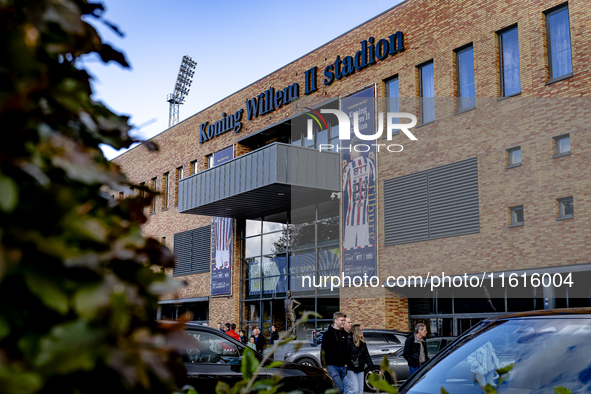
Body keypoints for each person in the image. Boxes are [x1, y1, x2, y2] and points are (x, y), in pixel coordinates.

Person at [342, 136, 376, 251]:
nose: (350, 154)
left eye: (350, 151)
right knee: (364, 249)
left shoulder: (348, 168)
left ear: (354, 149)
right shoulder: (370, 163)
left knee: (348, 251)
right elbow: (377, 179)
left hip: (350, 220)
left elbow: (341, 188)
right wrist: (374, 160)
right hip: (364, 219)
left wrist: (342, 170)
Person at [321, 311, 350, 393]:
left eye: (344, 320)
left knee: (342, 388)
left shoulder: (343, 333)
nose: (343, 322)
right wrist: (324, 366)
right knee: (340, 388)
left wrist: (346, 363)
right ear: (335, 320)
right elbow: (323, 350)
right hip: (332, 366)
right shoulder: (327, 334)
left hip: (343, 366)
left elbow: (346, 349)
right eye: (342, 320)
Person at [345, 325, 377, 394]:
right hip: (351, 369)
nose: (363, 331)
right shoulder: (348, 341)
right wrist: (348, 365)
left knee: (360, 391)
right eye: (361, 330)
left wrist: (372, 368)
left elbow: (366, 356)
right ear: (356, 331)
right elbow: (345, 356)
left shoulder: (362, 343)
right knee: (354, 390)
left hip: (360, 368)